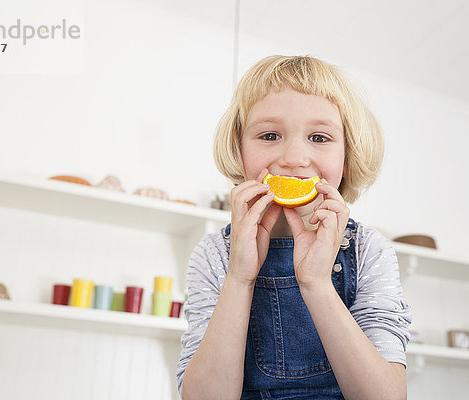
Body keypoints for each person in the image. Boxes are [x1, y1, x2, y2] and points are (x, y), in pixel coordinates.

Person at [176, 55, 412, 400]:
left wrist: (317, 283)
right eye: (270, 135)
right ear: (239, 150)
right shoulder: (214, 254)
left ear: (348, 155)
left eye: (319, 137)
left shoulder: (367, 250)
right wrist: (239, 279)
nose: (294, 157)